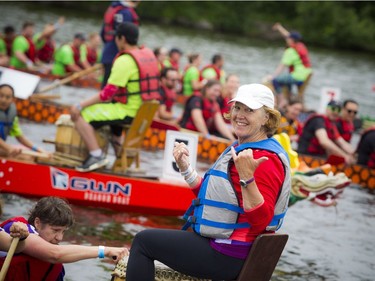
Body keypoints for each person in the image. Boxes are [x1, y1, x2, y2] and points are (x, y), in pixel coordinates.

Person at [125, 83, 291, 280]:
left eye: (249, 110)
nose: (240, 115)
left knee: (143, 242)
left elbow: (261, 221)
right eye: (237, 107)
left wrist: (248, 178)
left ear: (267, 117)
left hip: (229, 255)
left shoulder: (263, 159)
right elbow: (214, 197)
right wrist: (185, 168)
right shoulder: (244, 146)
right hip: (223, 246)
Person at [70, 22, 160, 172]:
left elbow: (106, 94)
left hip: (129, 112)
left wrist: (79, 105)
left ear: (122, 38)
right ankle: (120, 165)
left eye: (116, 38)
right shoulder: (148, 55)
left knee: (80, 115)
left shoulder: (124, 60)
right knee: (113, 123)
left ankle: (96, 155)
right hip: (144, 112)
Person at [0, 197, 128, 280]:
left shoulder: (55, 267)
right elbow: (55, 254)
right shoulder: (16, 230)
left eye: (63, 231)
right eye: (55, 230)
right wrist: (105, 251)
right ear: (38, 223)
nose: (59, 238)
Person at [297, 100, 356, 165]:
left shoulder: (332, 125)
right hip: (304, 157)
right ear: (327, 109)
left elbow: (341, 142)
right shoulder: (318, 120)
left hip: (317, 158)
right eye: (333, 109)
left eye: (338, 110)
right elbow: (324, 141)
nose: (335, 112)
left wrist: (354, 154)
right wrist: (344, 156)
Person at [270, 23, 312, 108]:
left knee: (276, 80)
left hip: (298, 77)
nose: (286, 39)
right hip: (306, 75)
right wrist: (279, 28)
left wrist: (272, 76)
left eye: (288, 38)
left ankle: (282, 101)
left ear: (291, 40)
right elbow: (288, 35)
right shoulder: (301, 45)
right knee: (286, 81)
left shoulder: (291, 50)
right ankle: (289, 99)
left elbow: (282, 66)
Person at [100, 0, 140, 88]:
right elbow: (127, 37)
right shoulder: (126, 12)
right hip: (118, 57)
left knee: (106, 85)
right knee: (111, 89)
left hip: (107, 53)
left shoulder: (114, 8)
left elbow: (103, 34)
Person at [0, 84, 46, 158]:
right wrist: (9, 148)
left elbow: (20, 137)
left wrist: (38, 150)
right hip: (4, 148)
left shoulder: (11, 116)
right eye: (1, 96)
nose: (3, 100)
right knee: (25, 157)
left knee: (33, 156)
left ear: (13, 99)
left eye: (8, 97)